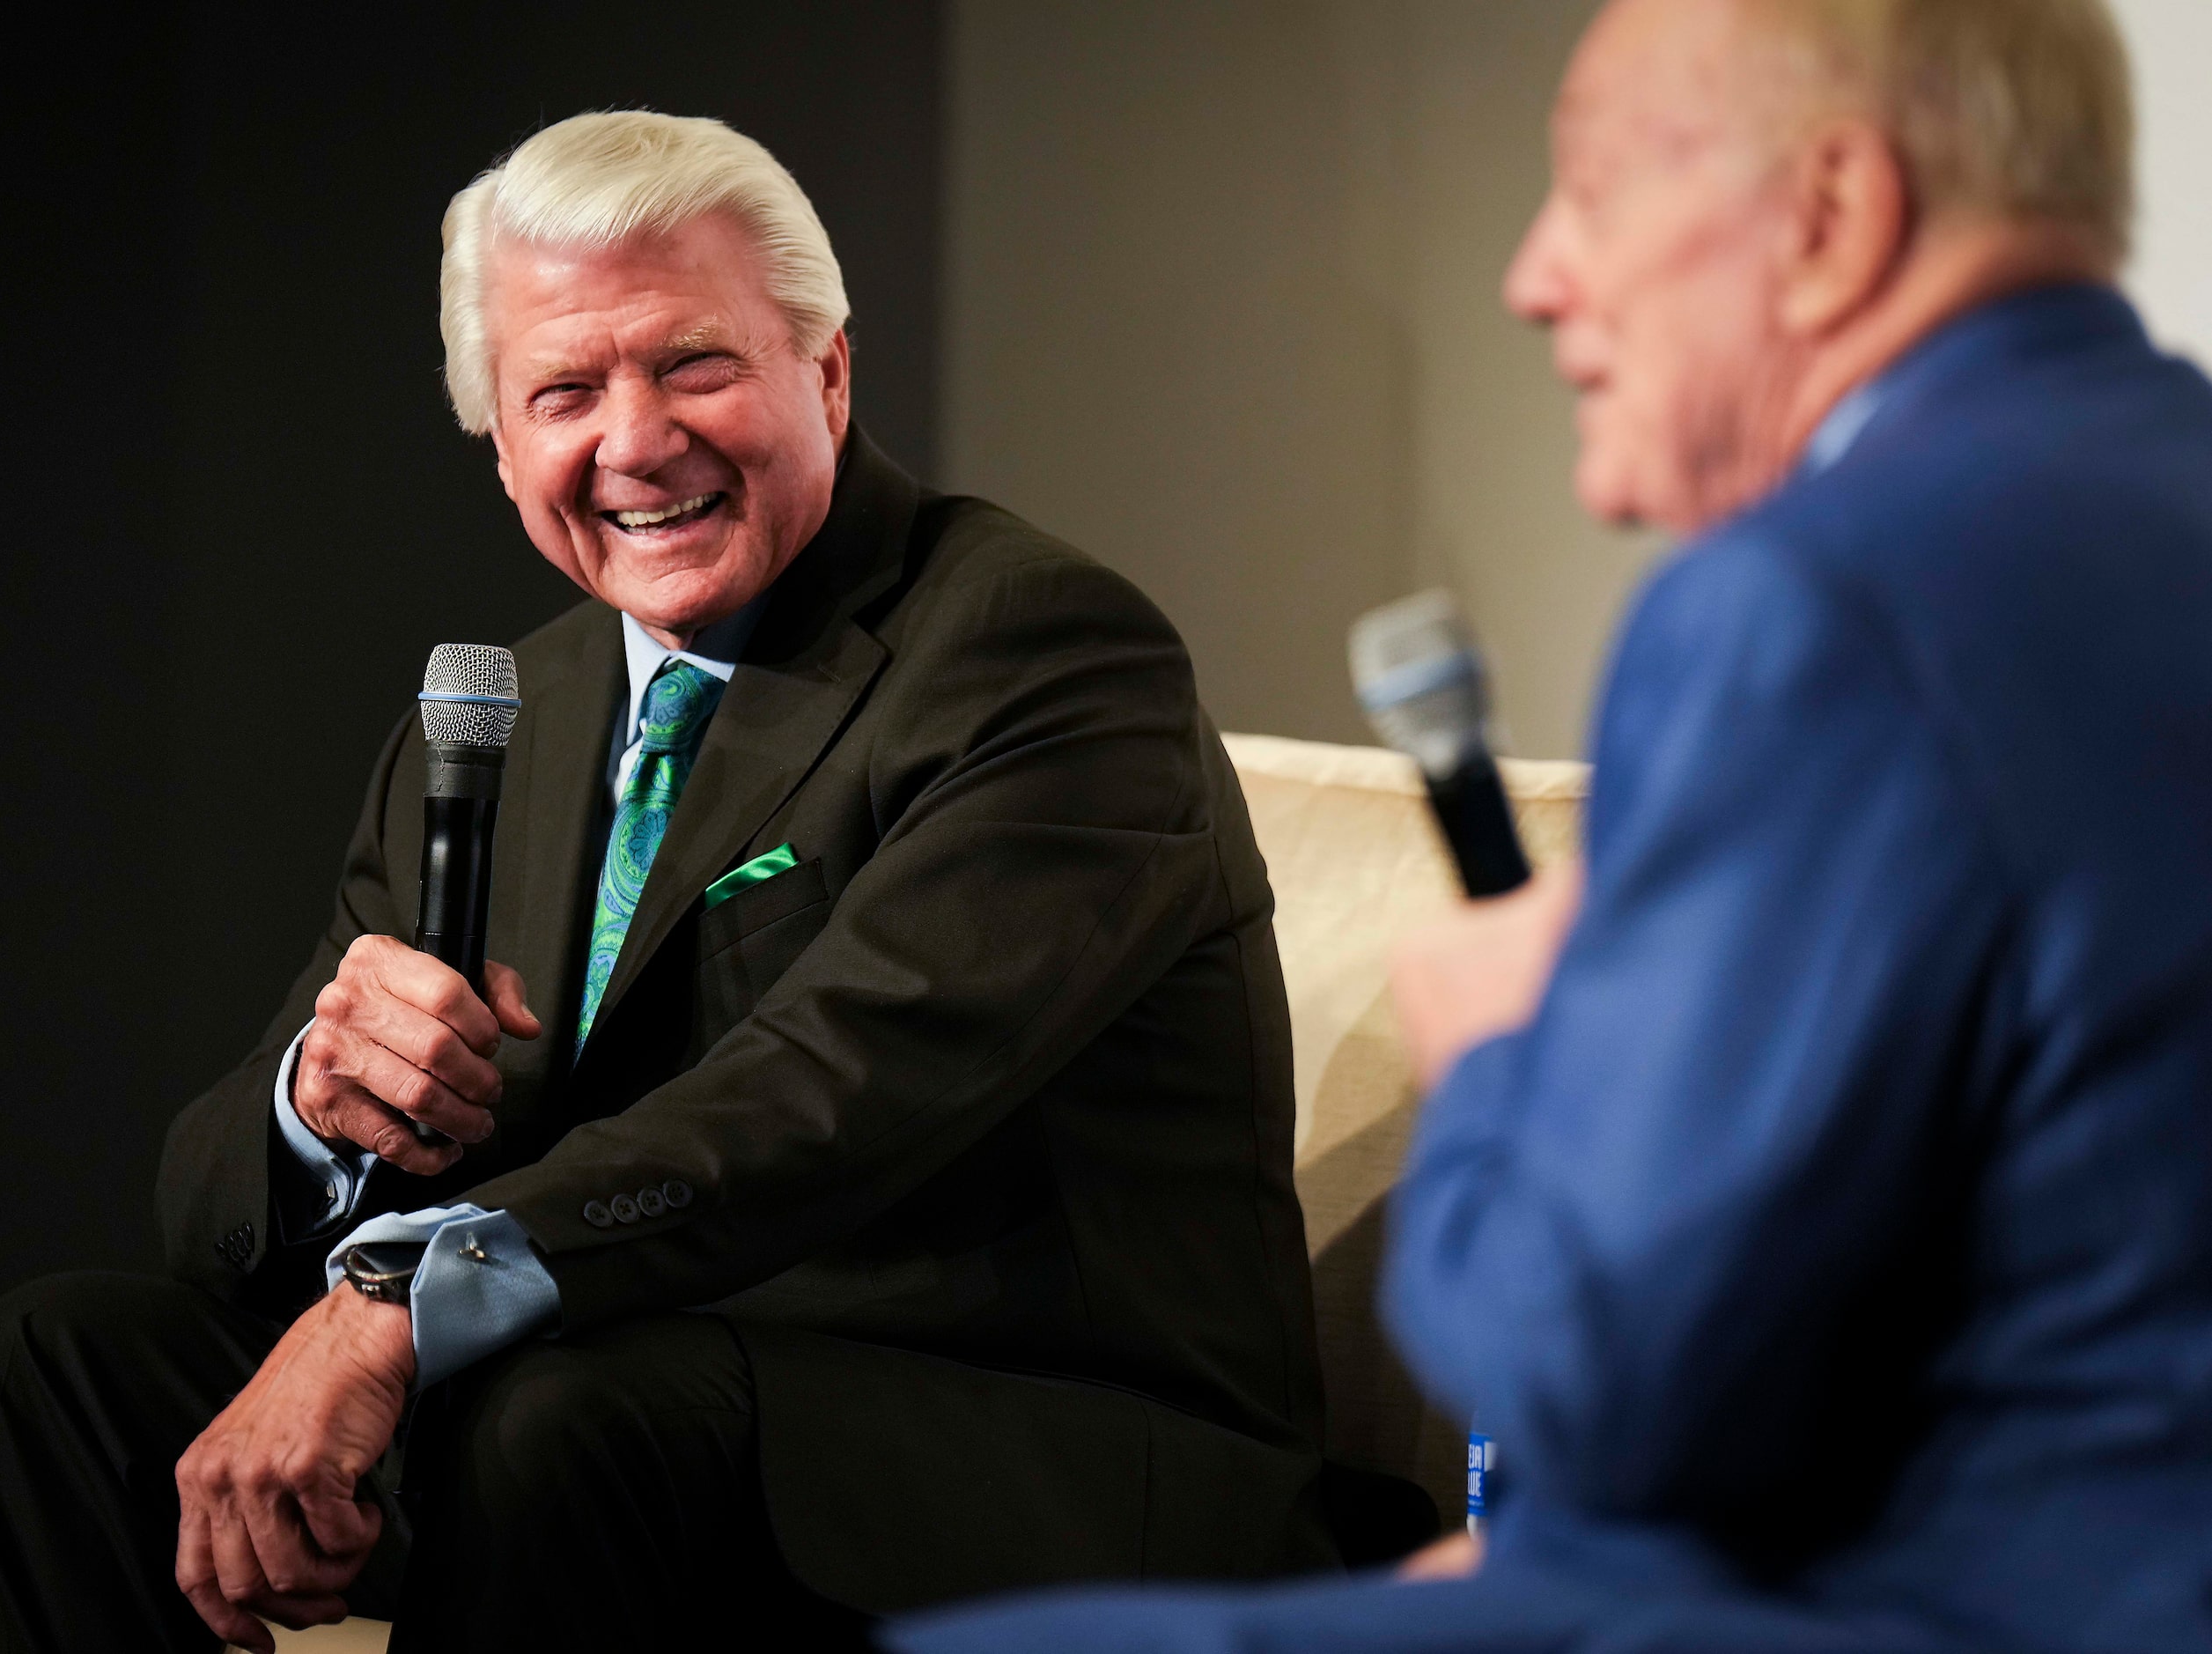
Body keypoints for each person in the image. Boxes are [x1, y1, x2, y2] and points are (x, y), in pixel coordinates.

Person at [0, 111, 1341, 1652]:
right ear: (502, 443)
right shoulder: (498, 717)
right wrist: (317, 1105)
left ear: (830, 370)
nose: (636, 440)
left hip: (1034, 1461)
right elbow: (203, 1201)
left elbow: (823, 1098)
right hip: (610, 1408)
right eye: (565, 392)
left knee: (564, 1414)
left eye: (693, 365)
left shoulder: (1037, 648)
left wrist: (394, 1297)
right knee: (44, 1365)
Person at [895, 0, 2212, 1650]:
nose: (1533, 276)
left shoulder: (1814, 605)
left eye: (1587, 190)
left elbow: (1601, 1383)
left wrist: (1510, 1049)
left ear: (1828, 216)